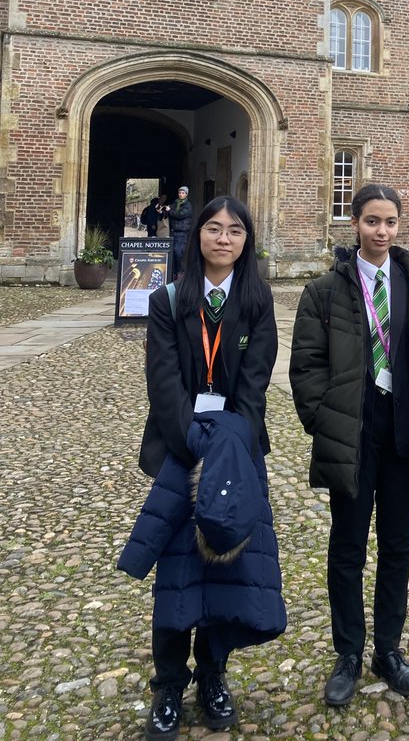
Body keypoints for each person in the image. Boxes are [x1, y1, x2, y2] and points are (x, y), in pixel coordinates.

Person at [290, 184, 409, 707]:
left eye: (389, 222)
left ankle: (388, 648)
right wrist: (325, 420)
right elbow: (306, 367)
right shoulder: (324, 291)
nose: (381, 231)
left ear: (399, 226)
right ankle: (348, 653)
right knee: (347, 548)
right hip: (355, 433)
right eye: (370, 221)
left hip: (403, 432)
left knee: (398, 546)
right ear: (354, 224)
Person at [124, 195, 283, 738]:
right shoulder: (169, 299)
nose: (223, 238)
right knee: (176, 576)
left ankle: (214, 673)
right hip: (179, 451)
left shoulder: (258, 300)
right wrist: (193, 439)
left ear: (246, 240)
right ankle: (169, 683)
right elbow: (163, 382)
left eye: (234, 230)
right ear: (198, 237)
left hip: (235, 453)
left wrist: (227, 442)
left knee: (226, 573)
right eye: (213, 229)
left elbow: (255, 384)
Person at [169, 186, 193, 276]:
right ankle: (174, 271)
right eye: (180, 193)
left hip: (182, 232)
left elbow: (180, 215)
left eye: (183, 193)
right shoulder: (175, 203)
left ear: (186, 194)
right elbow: (170, 211)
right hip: (173, 230)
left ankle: (179, 270)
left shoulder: (188, 205)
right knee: (173, 252)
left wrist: (170, 211)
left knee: (178, 251)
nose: (181, 194)